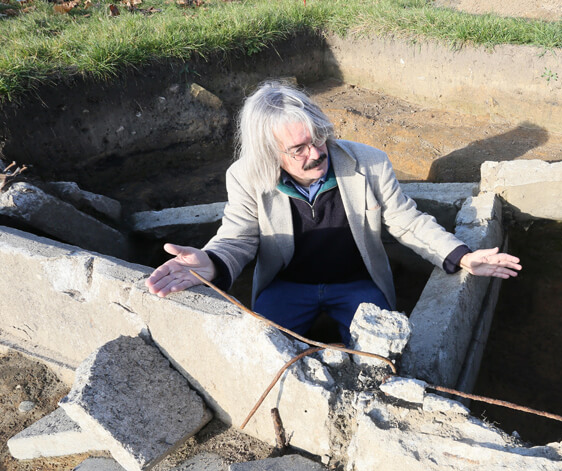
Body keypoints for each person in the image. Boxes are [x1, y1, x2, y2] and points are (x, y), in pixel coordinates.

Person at [146, 81, 521, 344]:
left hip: (357, 285)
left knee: (378, 357)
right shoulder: (246, 176)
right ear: (268, 154)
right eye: (298, 149)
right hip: (286, 287)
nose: (316, 153)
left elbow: (406, 221)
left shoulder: (369, 163)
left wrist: (461, 255)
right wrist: (211, 262)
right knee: (264, 350)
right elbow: (239, 237)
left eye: (319, 137)